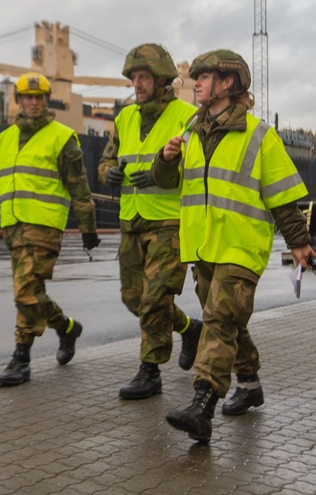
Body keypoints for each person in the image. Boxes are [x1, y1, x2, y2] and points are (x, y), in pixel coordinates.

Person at [151, 49, 316, 442]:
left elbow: (282, 199)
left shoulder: (260, 135)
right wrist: (166, 159)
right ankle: (250, 382)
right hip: (203, 247)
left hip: (241, 248)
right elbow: (166, 182)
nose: (197, 84)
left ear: (228, 83)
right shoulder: (192, 132)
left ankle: (202, 405)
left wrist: (299, 244)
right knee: (228, 320)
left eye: (204, 77)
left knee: (218, 320)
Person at [0, 71, 100, 386]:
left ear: (45, 100)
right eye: (27, 97)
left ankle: (21, 358)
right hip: (13, 226)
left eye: (39, 97)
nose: (33, 103)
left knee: (24, 291)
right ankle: (66, 328)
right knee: (31, 292)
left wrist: (88, 227)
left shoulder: (62, 137)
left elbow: (79, 187)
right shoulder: (4, 139)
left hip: (44, 226)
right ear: (19, 100)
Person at [98, 43, 203, 400]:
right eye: (134, 78)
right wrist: (108, 173)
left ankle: (150, 370)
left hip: (169, 224)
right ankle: (189, 329)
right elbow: (106, 160)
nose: (136, 84)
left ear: (162, 81)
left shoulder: (187, 115)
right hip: (132, 220)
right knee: (134, 298)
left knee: (156, 297)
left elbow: (197, 168)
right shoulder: (124, 118)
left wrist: (162, 175)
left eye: (143, 77)